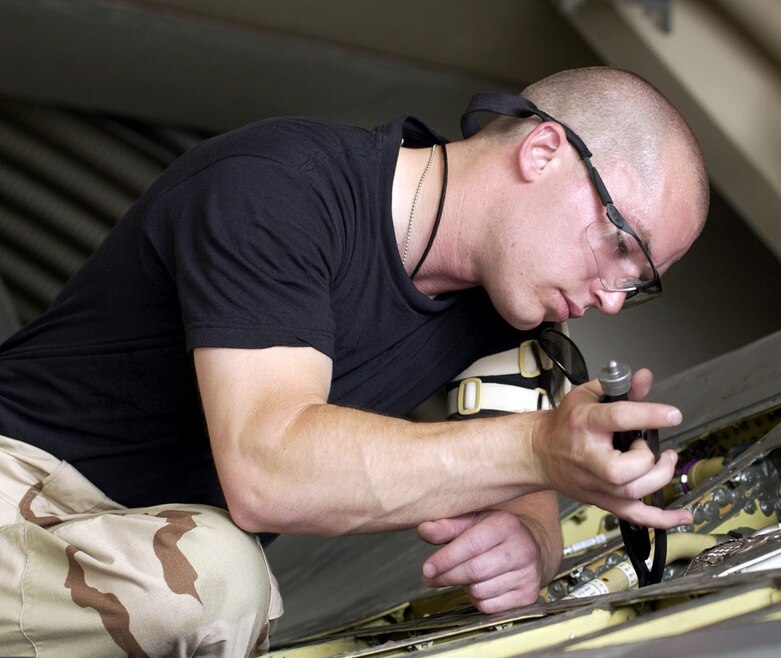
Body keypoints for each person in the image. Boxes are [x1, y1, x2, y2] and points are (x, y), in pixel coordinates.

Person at [0, 66, 708, 656]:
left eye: (639, 283)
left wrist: (531, 538)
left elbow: (520, 466)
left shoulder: (508, 315)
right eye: (622, 244)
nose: (614, 298)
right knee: (215, 580)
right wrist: (541, 451)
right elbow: (267, 469)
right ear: (543, 151)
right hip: (19, 491)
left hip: (117, 554)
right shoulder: (278, 190)